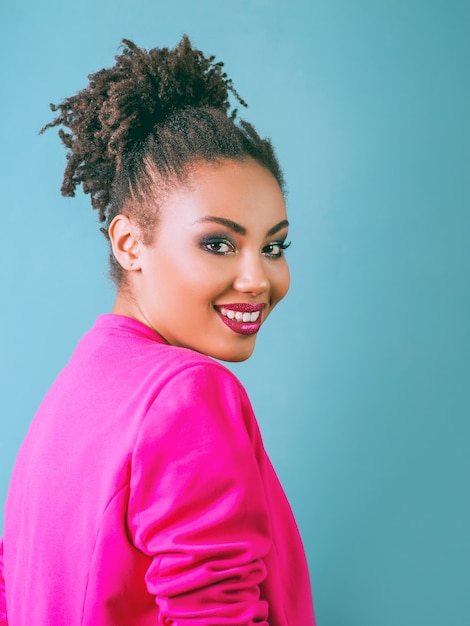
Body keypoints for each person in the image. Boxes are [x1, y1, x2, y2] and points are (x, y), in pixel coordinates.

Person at [0, 37, 315, 625]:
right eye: (218, 243)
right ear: (129, 242)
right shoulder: (187, 394)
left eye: (274, 246)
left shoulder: (73, 393)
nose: (258, 278)